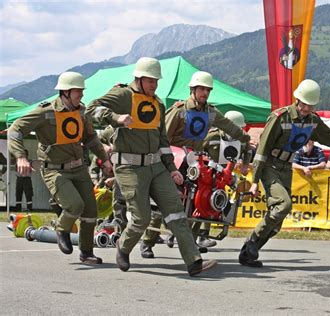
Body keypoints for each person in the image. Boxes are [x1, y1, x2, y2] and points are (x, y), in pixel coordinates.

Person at [86, 57, 216, 276]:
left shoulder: (158, 103)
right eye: (150, 80)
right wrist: (115, 117)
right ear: (139, 78)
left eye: (156, 80)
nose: (154, 85)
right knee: (141, 218)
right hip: (129, 168)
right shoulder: (123, 95)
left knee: (176, 212)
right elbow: (91, 110)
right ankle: (124, 247)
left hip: (157, 167)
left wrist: (172, 168)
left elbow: (163, 141)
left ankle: (194, 261)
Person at [239, 79, 330, 268]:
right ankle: (251, 242)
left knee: (279, 219)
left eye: (311, 105)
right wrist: (255, 180)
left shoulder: (313, 121)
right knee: (284, 205)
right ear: (297, 99)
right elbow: (262, 150)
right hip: (269, 166)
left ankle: (248, 254)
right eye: (305, 104)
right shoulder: (280, 117)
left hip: (286, 168)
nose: (307, 108)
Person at [8, 71, 112, 264]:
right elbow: (15, 129)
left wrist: (104, 159)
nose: (81, 96)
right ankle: (61, 229)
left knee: (90, 210)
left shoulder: (82, 112)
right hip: (54, 170)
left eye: (82, 92)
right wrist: (21, 157)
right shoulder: (45, 112)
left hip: (79, 168)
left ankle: (87, 253)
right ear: (65, 92)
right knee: (75, 205)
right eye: (77, 92)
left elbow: (90, 138)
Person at [151, 71, 250, 255]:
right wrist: (167, 164)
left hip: (195, 163)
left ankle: (192, 242)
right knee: (165, 202)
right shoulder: (179, 110)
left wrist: (245, 138)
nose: (204, 92)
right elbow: (162, 138)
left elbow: (229, 127)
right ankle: (148, 242)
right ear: (193, 89)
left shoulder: (211, 113)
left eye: (207, 89)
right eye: (201, 88)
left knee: (201, 202)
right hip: (174, 160)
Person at [198, 110, 253, 247]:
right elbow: (196, 148)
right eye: (235, 128)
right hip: (208, 174)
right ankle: (189, 235)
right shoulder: (211, 136)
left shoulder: (242, 138)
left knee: (216, 203)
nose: (238, 131)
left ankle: (203, 237)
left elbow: (248, 150)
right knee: (201, 204)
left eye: (240, 128)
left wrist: (245, 164)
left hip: (225, 175)